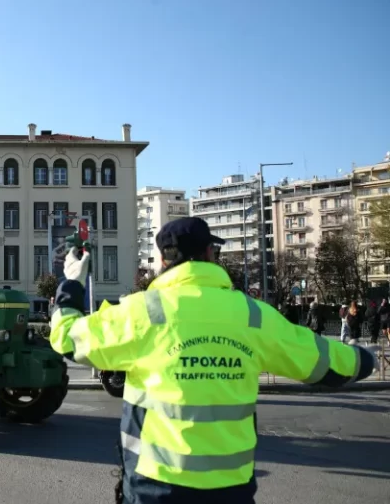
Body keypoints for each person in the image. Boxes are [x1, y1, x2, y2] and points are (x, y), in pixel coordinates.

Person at [48, 216, 378, 504]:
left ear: (163, 262)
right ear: (210, 254)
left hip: (155, 486)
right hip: (229, 489)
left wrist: (71, 283)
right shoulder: (253, 316)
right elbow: (328, 365)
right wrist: (366, 358)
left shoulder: (141, 314)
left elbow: (66, 337)